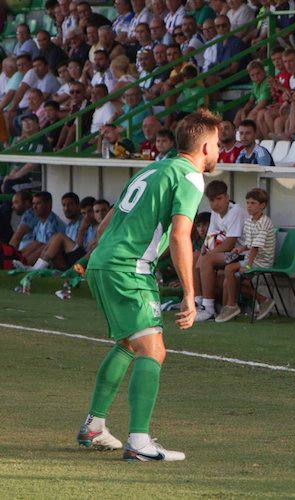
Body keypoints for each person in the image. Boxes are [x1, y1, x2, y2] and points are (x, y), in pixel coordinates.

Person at [76, 110, 220, 462]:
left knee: (129, 343)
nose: (219, 151)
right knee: (153, 350)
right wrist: (190, 293)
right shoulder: (189, 176)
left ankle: (94, 427)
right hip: (128, 269)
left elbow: (102, 226)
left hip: (104, 263)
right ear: (204, 146)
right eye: (217, 144)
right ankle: (139, 442)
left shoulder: (153, 168)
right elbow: (182, 235)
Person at [215, 187, 277, 323]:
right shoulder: (249, 221)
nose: (249, 206)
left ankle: (232, 305)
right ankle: (264, 300)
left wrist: (248, 265)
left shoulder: (264, 223)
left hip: (262, 261)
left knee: (229, 269)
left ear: (262, 205)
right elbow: (249, 245)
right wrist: (240, 249)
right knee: (230, 276)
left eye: (253, 203)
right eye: (247, 202)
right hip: (252, 257)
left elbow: (255, 248)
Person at [195, 179, 247, 322]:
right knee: (196, 256)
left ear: (227, 197)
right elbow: (209, 238)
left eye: (219, 199)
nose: (215, 204)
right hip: (226, 254)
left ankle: (209, 308)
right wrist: (204, 251)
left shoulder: (236, 211)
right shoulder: (214, 213)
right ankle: (198, 302)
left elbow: (230, 243)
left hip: (242, 254)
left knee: (206, 259)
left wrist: (208, 255)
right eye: (212, 200)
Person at [29, 193, 97, 270]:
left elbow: (81, 248)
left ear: (77, 206)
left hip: (84, 262)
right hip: (72, 259)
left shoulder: (88, 224)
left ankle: (36, 268)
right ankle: (30, 265)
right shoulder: (69, 226)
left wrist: (82, 230)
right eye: (64, 205)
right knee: (51, 243)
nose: (66, 208)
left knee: (59, 236)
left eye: (70, 204)